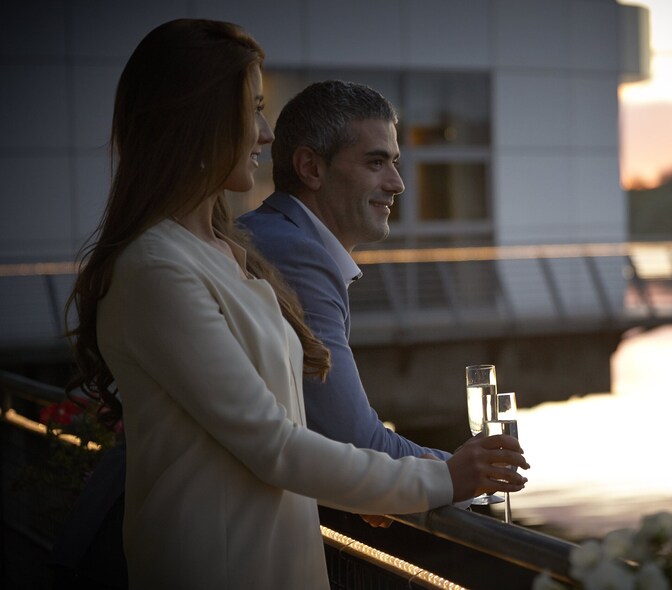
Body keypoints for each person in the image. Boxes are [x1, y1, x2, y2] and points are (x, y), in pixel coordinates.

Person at [63, 19, 527, 590]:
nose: (264, 134)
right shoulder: (158, 268)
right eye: (253, 109)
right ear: (196, 121)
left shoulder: (226, 251)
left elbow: (296, 426)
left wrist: (378, 484)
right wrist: (444, 479)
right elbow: (274, 444)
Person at [239, 81, 445, 468]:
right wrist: (463, 476)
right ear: (311, 168)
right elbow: (354, 440)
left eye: (394, 163)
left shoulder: (272, 234)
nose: (397, 184)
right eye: (375, 163)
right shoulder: (295, 255)